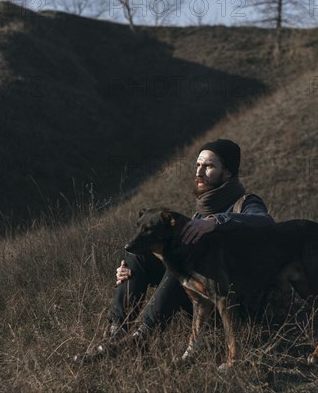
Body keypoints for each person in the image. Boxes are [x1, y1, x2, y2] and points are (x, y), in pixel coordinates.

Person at [74, 139, 274, 363]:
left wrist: (216, 222)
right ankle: (116, 333)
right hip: (199, 299)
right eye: (198, 165)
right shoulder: (200, 213)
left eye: (208, 166)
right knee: (138, 257)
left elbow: (265, 222)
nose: (199, 172)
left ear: (227, 172)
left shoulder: (245, 202)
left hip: (230, 304)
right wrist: (129, 271)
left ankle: (142, 337)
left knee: (179, 264)